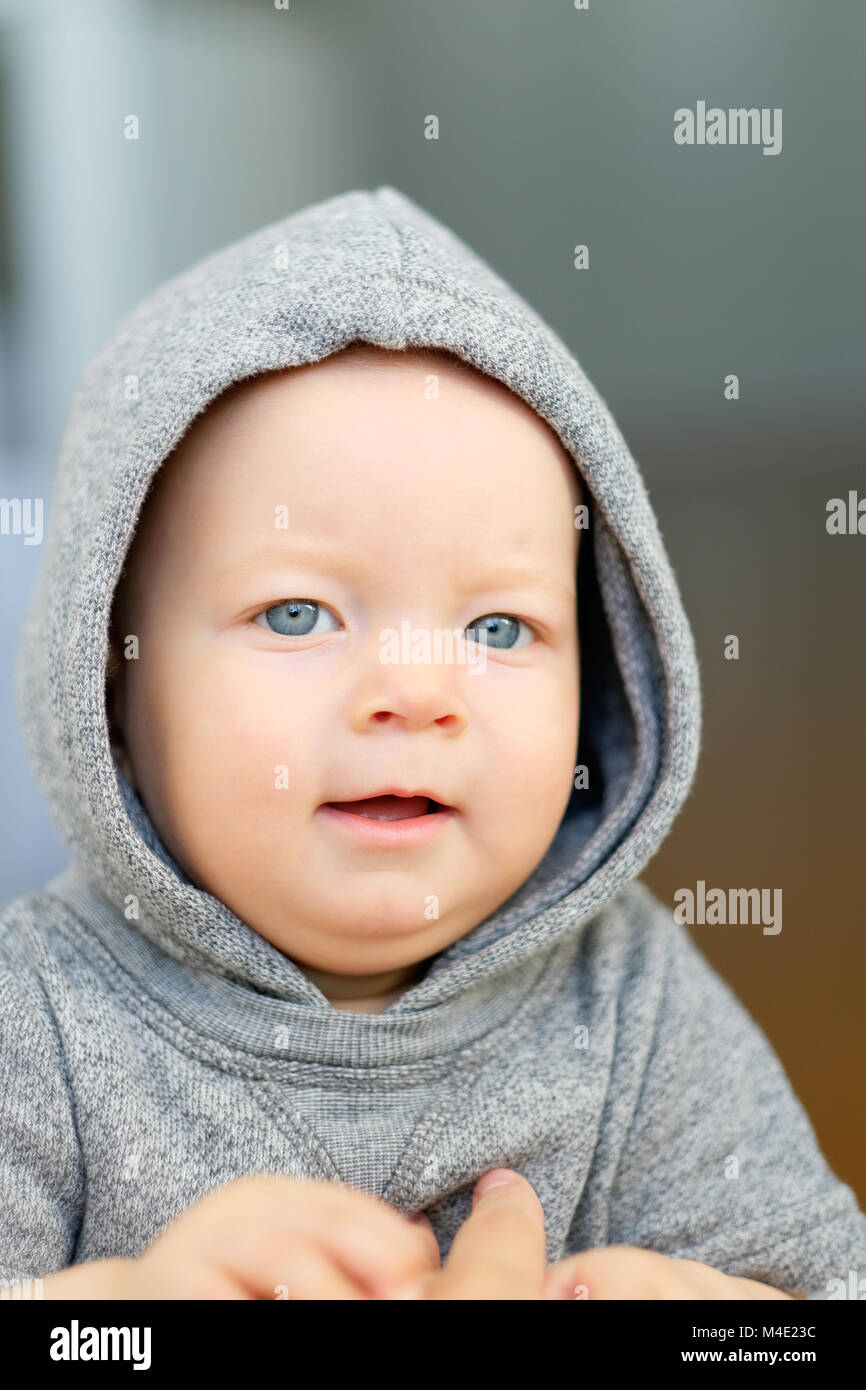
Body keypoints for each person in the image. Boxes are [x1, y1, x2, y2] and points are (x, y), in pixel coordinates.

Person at [2, 186, 862, 1299]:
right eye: (298, 614)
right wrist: (124, 1314)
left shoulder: (629, 998)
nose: (414, 695)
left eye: (497, 627)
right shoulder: (36, 1017)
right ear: (109, 681)